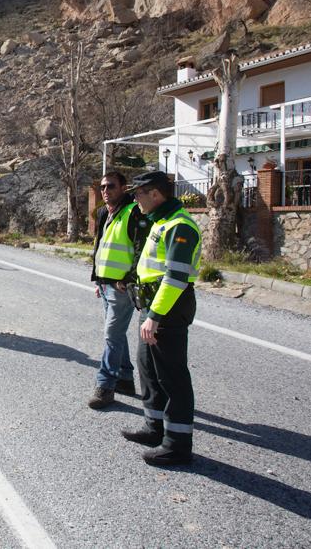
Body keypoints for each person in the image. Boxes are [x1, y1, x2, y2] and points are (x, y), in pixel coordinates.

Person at [121, 171, 201, 467]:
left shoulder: (180, 226)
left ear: (155, 194)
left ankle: (177, 445)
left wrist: (154, 316)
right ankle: (154, 428)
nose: (136, 199)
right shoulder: (161, 222)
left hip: (167, 308)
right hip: (152, 306)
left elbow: (176, 278)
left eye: (139, 194)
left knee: (172, 376)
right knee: (149, 369)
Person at [87, 171, 150, 409]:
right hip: (106, 284)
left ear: (124, 187)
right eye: (102, 187)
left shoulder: (133, 212)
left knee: (111, 335)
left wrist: (130, 277)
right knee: (117, 333)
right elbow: (101, 246)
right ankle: (124, 378)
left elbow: (141, 248)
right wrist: (98, 279)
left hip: (122, 287)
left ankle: (105, 386)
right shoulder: (104, 212)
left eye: (111, 186)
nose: (105, 191)